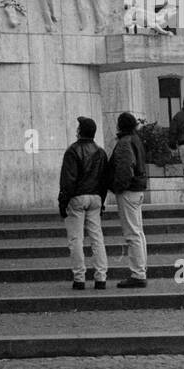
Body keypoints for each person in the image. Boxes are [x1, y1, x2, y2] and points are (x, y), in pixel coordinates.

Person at [57, 116, 109, 291]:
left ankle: (79, 278)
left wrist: (63, 202)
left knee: (76, 239)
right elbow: (104, 180)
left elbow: (68, 180)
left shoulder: (73, 151)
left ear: (80, 131)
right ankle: (101, 277)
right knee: (97, 238)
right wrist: (101, 201)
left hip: (77, 198)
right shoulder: (101, 152)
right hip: (95, 197)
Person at [105, 111, 148, 288]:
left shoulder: (124, 143)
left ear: (120, 126)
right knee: (138, 232)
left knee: (132, 234)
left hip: (128, 191)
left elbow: (124, 168)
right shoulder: (136, 140)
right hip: (137, 189)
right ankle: (141, 269)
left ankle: (138, 274)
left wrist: (118, 187)